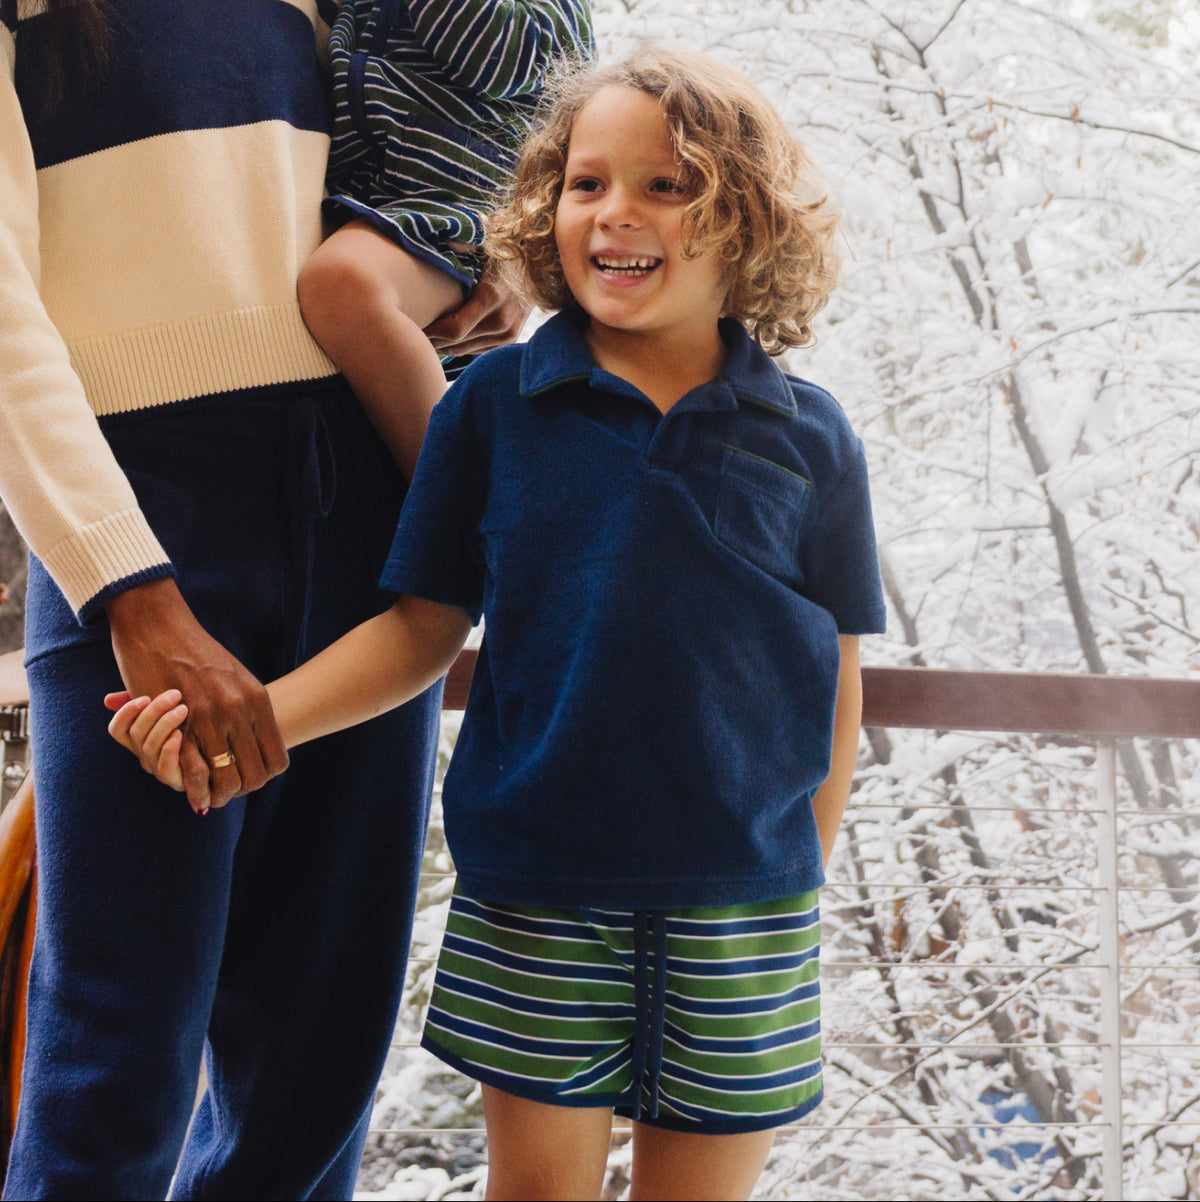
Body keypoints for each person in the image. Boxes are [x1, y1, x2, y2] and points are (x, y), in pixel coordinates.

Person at [109, 45, 887, 1201]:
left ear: (750, 220)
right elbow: (422, 629)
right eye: (587, 182)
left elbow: (836, 684)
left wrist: (796, 875)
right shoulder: (490, 410)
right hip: (537, 892)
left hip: (748, 908)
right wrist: (250, 720)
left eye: (667, 185)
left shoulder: (811, 436)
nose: (615, 212)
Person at [0, 1, 526, 1197]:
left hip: (368, 516)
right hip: (138, 516)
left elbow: (432, 164)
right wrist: (131, 591)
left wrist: (478, 275)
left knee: (317, 1065)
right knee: (114, 1062)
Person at [297, 0, 592, 479]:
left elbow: (499, 57)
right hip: (375, 215)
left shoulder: (554, 14)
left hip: (453, 225)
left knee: (343, 284)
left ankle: (458, 516)